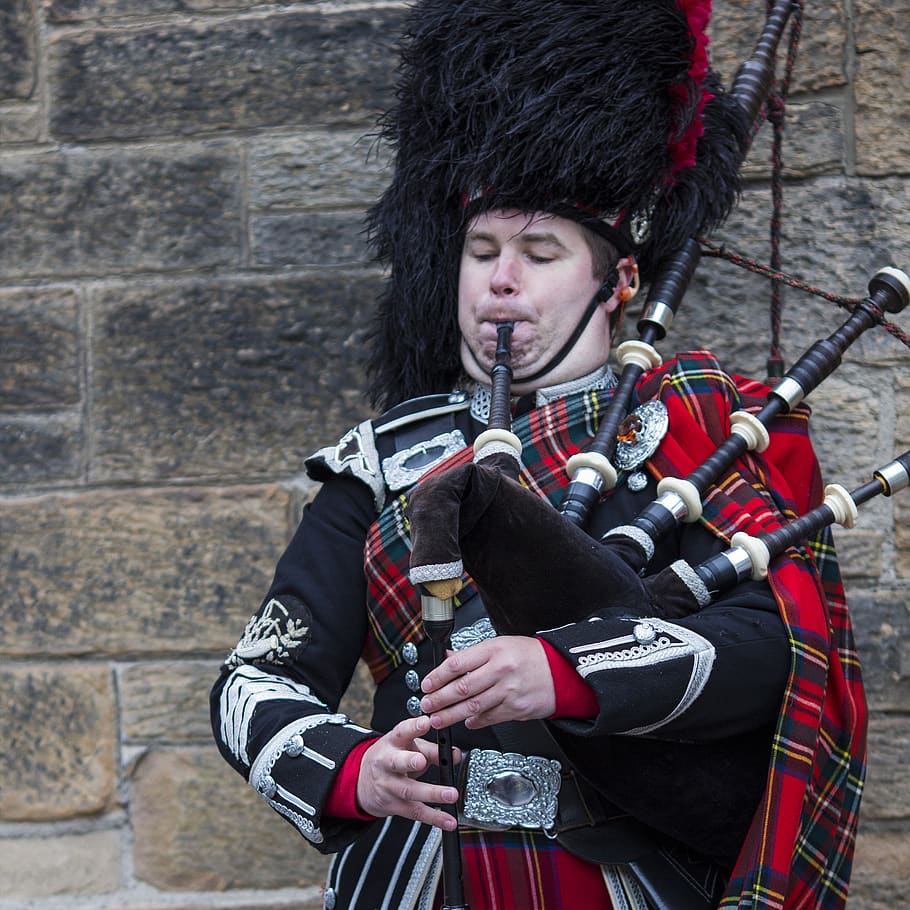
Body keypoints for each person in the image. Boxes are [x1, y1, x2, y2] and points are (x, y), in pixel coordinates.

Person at [211, 2, 867, 908]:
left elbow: (774, 652)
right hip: (411, 878)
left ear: (618, 281)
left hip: (616, 877)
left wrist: (562, 674)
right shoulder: (382, 460)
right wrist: (354, 770)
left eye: (540, 250)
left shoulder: (690, 428)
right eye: (481, 249)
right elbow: (259, 676)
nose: (501, 279)